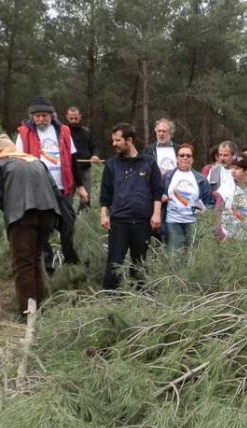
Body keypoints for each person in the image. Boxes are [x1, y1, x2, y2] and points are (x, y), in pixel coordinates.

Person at [0, 134, 60, 318]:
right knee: (36, 259)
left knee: (22, 264)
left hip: (22, 215)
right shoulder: (36, 161)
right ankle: (41, 306)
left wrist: (10, 209)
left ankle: (27, 313)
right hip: (48, 213)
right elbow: (55, 189)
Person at [15, 96, 84, 271]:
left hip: (64, 187)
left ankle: (71, 263)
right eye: (37, 116)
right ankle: (46, 266)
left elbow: (73, 158)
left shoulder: (64, 131)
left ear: (52, 115)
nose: (41, 119)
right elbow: (18, 162)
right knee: (43, 228)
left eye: (44, 115)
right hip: (39, 190)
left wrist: (81, 185)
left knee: (68, 226)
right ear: (32, 116)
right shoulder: (24, 133)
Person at [99, 122, 163, 290]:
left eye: (117, 140)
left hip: (142, 221)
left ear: (129, 140)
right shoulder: (112, 164)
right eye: (113, 140)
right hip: (119, 221)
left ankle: (141, 297)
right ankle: (110, 298)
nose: (114, 144)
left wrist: (156, 214)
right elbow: (105, 192)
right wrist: (104, 214)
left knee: (140, 262)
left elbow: (158, 191)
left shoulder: (148, 163)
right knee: (114, 261)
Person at [162, 143, 213, 254]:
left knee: (194, 256)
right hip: (173, 221)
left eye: (188, 155)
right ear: (176, 158)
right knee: (175, 256)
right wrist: (162, 197)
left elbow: (210, 202)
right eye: (182, 155)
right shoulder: (167, 176)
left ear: (192, 159)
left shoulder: (201, 179)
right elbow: (158, 194)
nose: (185, 157)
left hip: (194, 222)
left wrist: (205, 210)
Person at [213, 155, 247, 241]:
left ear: (246, 170)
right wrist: (220, 235)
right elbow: (217, 212)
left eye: (237, 168)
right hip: (229, 238)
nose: (233, 171)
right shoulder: (225, 188)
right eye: (232, 168)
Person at [65, 106, 99, 212]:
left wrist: (95, 155)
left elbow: (93, 147)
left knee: (86, 197)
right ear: (67, 117)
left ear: (80, 117)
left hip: (85, 169)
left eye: (76, 118)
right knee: (67, 198)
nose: (74, 121)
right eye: (71, 118)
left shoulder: (86, 132)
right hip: (70, 171)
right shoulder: (63, 132)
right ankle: (68, 221)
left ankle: (84, 221)